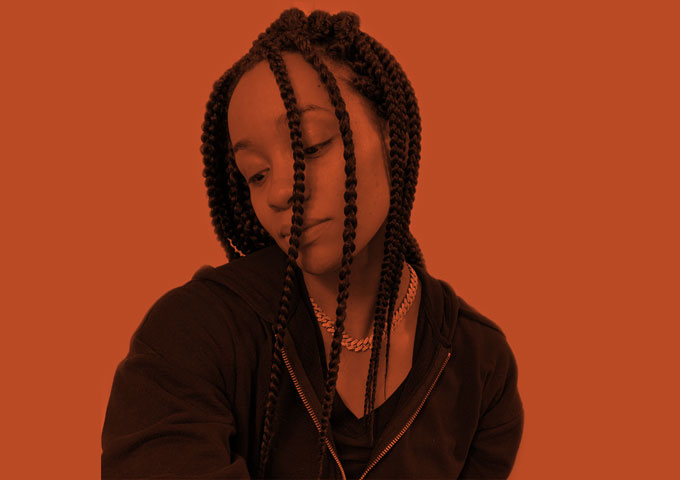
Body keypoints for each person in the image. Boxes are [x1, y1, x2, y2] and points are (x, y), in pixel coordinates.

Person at [101, 8, 524, 480]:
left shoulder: (480, 364)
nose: (280, 192)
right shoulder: (191, 336)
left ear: (392, 135)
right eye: (256, 174)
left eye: (311, 145)